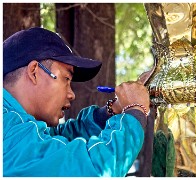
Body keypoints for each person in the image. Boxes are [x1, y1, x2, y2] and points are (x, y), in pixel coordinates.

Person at [3, 27, 150, 177]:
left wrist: (113, 109)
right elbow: (93, 170)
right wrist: (135, 110)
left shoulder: (13, 125)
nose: (71, 94)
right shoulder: (9, 130)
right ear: (34, 72)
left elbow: (57, 142)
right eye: (66, 79)